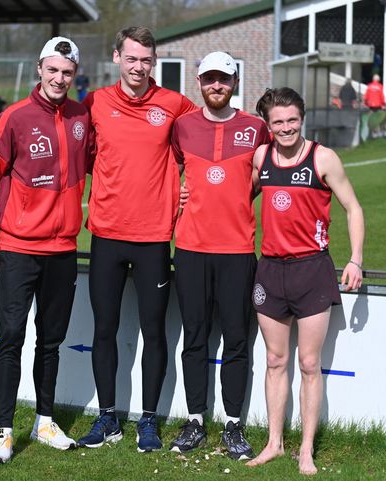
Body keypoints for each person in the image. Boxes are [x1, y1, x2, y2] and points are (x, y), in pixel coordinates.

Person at [76, 26, 195, 453]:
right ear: (116, 58)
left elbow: (200, 145)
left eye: (146, 59)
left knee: (154, 332)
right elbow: (84, 156)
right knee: (104, 329)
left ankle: (148, 421)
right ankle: (107, 417)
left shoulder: (175, 104)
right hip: (107, 233)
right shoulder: (96, 103)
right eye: (131, 58)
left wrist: (185, 187)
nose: (138, 67)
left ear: (154, 62)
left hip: (153, 238)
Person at [0, 36, 90, 464]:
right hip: (19, 249)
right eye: (53, 70)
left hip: (63, 250)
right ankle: (3, 430)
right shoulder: (15, 117)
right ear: (39, 68)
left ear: (74, 76)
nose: (59, 78)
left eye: (68, 72)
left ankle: (44, 420)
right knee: (11, 337)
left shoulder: (81, 117)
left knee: (51, 342)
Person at [245, 87, 364, 475]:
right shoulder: (261, 156)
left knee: (309, 363)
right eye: (277, 122)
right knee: (276, 360)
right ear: (267, 124)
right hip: (270, 270)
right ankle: (274, 444)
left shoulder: (323, 157)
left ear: (302, 118)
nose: (286, 128)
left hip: (312, 270)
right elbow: (238, 201)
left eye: (292, 119)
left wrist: (355, 259)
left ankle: (307, 449)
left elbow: (353, 208)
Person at [168, 51, 270, 459]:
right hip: (190, 248)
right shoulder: (182, 127)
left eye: (223, 79)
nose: (216, 86)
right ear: (199, 82)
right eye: (210, 79)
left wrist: (237, 197)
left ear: (234, 83)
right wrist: (179, 194)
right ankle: (195, 421)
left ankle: (232, 425)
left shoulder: (255, 128)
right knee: (193, 338)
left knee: (236, 339)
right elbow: (166, 174)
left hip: (237, 249)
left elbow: (264, 177)